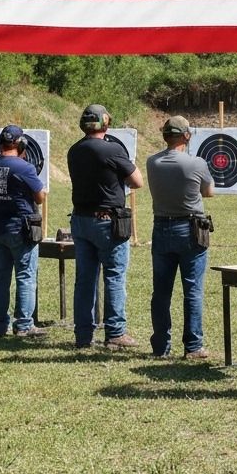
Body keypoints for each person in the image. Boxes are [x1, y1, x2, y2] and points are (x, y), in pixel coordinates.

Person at [66, 104, 143, 350]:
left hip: (80, 220)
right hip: (106, 221)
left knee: (85, 279)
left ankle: (83, 335)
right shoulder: (111, 149)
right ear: (106, 123)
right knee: (114, 276)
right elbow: (137, 181)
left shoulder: (74, 150)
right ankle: (115, 333)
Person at [145, 116, 215, 359]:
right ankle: (193, 346)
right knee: (192, 290)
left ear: (165, 136)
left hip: (161, 228)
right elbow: (209, 191)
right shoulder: (197, 163)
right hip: (190, 230)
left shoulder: (152, 162)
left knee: (161, 292)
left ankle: (160, 347)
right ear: (186, 136)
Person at [0, 124, 47, 339]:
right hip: (21, 228)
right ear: (21, 144)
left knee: (0, 279)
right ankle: (24, 325)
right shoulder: (24, 168)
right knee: (25, 276)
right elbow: (39, 197)